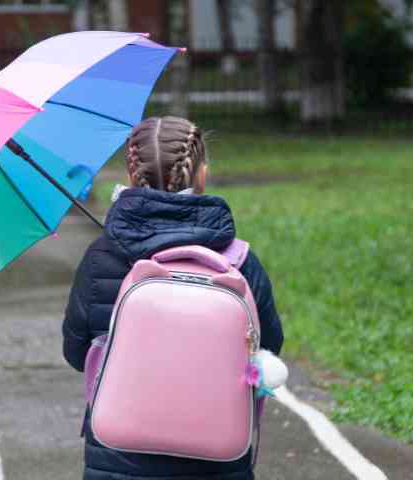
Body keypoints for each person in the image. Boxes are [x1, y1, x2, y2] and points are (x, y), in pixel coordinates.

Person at [63, 116, 284, 480]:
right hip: (218, 459)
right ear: (202, 174)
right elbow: (269, 349)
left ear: (132, 177)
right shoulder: (241, 261)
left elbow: (75, 353)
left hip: (118, 460)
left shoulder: (102, 257)